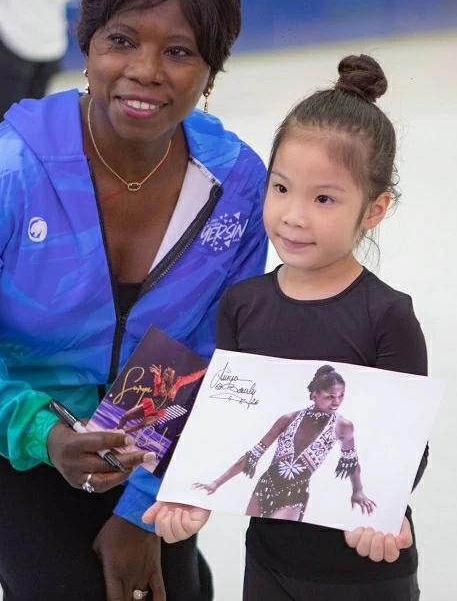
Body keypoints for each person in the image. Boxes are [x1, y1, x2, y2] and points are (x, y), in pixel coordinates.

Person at [0, 0, 267, 601]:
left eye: (179, 51)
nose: (145, 70)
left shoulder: (236, 186)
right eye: (122, 40)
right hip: (7, 423)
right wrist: (45, 433)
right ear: (88, 46)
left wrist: (140, 513)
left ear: (212, 68)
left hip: (149, 433)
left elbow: (214, 352)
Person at [144, 55, 430, 601]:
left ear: (375, 210)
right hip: (270, 561)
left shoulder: (387, 314)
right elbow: (228, 422)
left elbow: (408, 444)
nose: (294, 215)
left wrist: (387, 508)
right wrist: (190, 492)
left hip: (366, 566)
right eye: (281, 188)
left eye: (324, 198)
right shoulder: (243, 305)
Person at [192, 365, 377, 520]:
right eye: (330, 396)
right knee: (256, 535)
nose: (337, 401)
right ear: (314, 395)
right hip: (266, 484)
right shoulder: (288, 419)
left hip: (295, 492)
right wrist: (216, 483)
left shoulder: (343, 426)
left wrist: (358, 490)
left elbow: (351, 461)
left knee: (276, 536)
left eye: (341, 395)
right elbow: (254, 454)